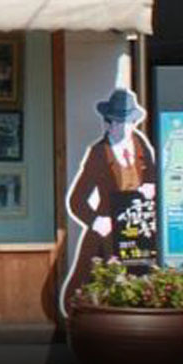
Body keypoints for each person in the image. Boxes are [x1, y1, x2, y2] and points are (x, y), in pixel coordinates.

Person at [61, 87, 156, 314]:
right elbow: (76, 199)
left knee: (142, 283)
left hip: (138, 230)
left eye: (127, 122)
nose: (122, 128)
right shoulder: (99, 153)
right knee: (86, 285)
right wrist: (96, 221)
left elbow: (154, 179)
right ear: (108, 123)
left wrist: (151, 188)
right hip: (109, 230)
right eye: (116, 122)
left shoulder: (141, 146)